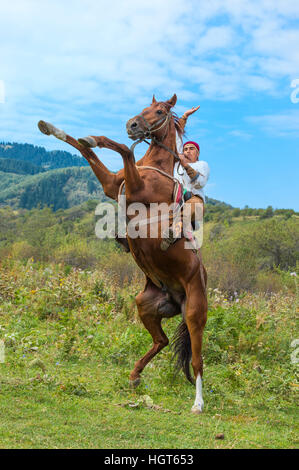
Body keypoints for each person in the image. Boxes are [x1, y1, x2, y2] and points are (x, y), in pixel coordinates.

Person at [161, 107, 210, 251]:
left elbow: (200, 183)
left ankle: (174, 231)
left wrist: (185, 164)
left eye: (191, 149)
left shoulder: (201, 165)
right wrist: (184, 117)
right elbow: (176, 138)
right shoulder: (177, 164)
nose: (187, 151)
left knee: (190, 207)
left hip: (194, 200)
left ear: (197, 154)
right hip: (175, 201)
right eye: (186, 149)